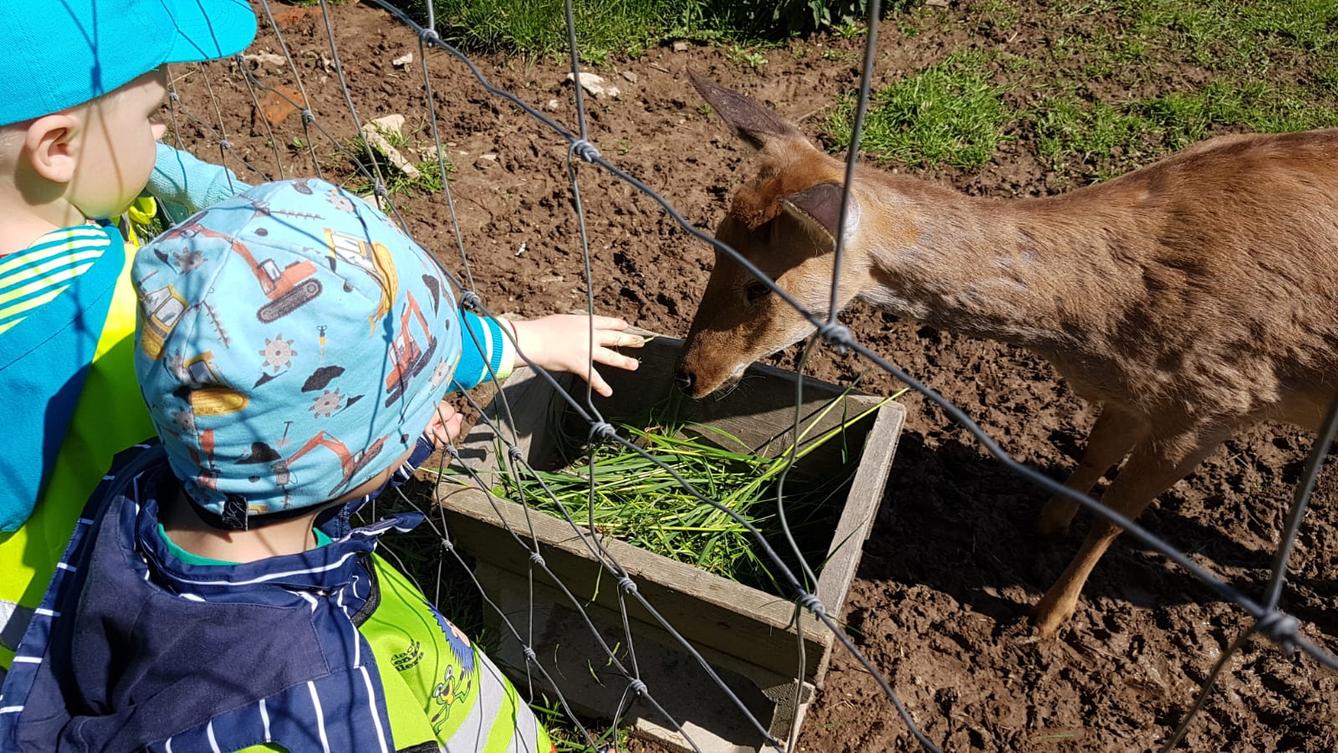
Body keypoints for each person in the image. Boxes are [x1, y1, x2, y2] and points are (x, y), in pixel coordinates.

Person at [0, 177, 643, 751]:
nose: (424, 420)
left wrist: (396, 443)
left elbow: (287, 465)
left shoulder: (144, 486)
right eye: (409, 413)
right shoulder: (309, 706)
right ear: (347, 459)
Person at [0, 0, 259, 673]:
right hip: (69, 631)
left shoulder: (43, 232)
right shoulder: (115, 313)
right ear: (57, 149)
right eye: (151, 115)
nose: (165, 128)